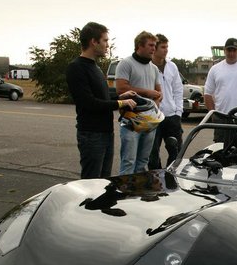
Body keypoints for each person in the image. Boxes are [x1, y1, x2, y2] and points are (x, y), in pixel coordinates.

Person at [66, 22, 137, 179]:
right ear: (93, 41)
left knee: (103, 182)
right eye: (105, 40)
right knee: (91, 183)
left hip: (105, 133)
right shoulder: (76, 67)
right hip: (91, 135)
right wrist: (120, 103)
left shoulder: (95, 68)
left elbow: (102, 97)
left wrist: (120, 97)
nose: (107, 45)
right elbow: (89, 102)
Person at [115, 31, 163, 174]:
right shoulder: (126, 63)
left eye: (155, 46)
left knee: (143, 162)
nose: (153, 48)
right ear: (139, 46)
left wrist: (157, 100)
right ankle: (125, 193)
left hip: (149, 122)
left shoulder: (154, 68)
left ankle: (138, 192)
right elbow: (121, 88)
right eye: (150, 45)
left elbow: (159, 92)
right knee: (129, 161)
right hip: (131, 121)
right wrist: (147, 92)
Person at [148, 34, 184, 169]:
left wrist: (178, 112)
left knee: (176, 152)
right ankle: (155, 182)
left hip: (171, 116)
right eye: (163, 47)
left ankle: (170, 179)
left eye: (167, 47)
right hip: (153, 117)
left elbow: (178, 90)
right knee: (152, 154)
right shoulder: (147, 66)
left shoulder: (172, 66)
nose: (166, 50)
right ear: (155, 49)